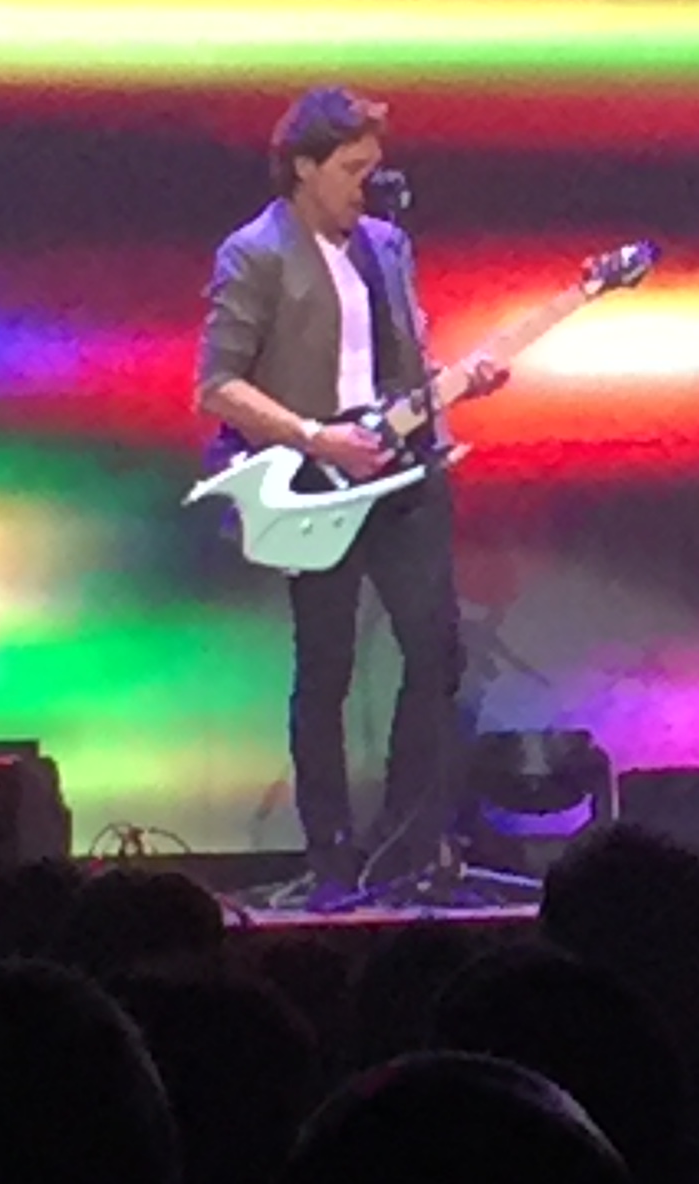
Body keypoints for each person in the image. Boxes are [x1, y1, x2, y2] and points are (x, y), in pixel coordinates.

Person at [196, 88, 503, 901]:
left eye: (373, 167)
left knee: (436, 650)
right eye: (352, 168)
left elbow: (404, 364)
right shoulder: (256, 253)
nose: (368, 184)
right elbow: (219, 385)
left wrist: (457, 386)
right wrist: (314, 436)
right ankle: (332, 857)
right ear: (305, 167)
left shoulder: (387, 246)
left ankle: (406, 843)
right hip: (315, 482)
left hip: (400, 472)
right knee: (325, 665)